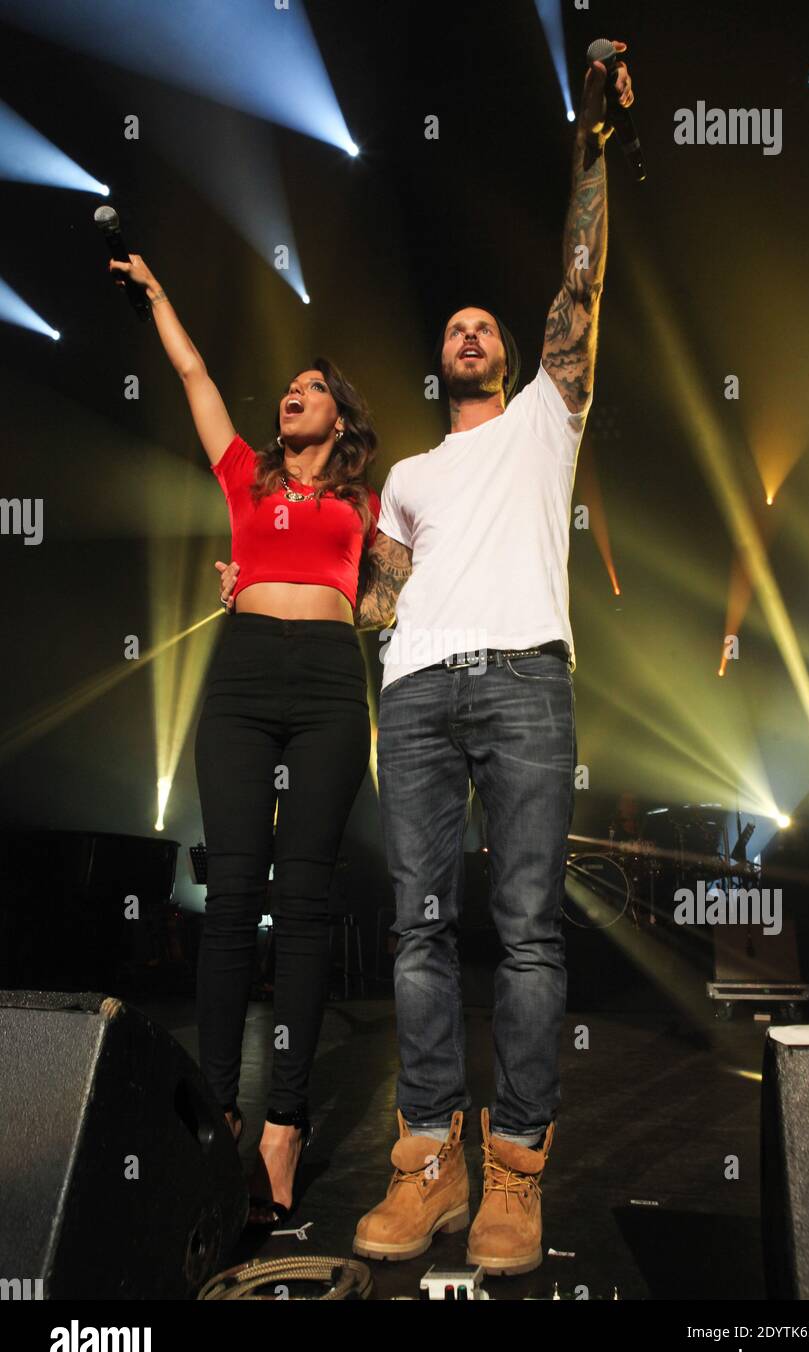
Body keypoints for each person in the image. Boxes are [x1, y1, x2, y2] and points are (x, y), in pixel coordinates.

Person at [219, 44, 634, 1269]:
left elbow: (578, 285)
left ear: (510, 355)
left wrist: (589, 153)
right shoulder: (400, 475)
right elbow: (374, 597)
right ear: (434, 359)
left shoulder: (544, 414)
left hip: (523, 680)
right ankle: (427, 1166)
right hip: (411, 696)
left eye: (481, 324)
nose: (466, 332)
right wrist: (294, 583)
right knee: (413, 933)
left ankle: (515, 1171)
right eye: (450, 326)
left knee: (525, 933)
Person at [107, 250, 398, 1225]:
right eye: (286, 388)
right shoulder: (242, 474)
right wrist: (157, 293)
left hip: (325, 687)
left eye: (310, 390)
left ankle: (286, 1124)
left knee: (305, 902)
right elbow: (192, 376)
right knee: (232, 897)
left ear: (342, 420)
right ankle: (219, 1119)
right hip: (239, 679)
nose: (291, 396)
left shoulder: (366, 504)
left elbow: (405, 591)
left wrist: (381, 603)